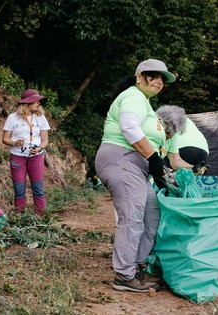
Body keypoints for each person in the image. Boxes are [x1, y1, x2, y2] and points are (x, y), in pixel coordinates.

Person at [94, 58, 176, 293]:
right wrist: (153, 159)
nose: (158, 81)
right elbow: (130, 128)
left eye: (162, 78)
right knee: (133, 216)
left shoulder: (145, 102)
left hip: (136, 166)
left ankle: (136, 266)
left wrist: (158, 168)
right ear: (139, 76)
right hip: (121, 160)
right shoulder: (133, 96)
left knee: (152, 213)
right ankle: (124, 275)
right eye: (153, 75)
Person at [2, 89, 51, 216]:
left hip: (36, 157)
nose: (38, 103)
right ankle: (19, 218)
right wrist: (15, 143)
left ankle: (41, 219)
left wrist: (40, 148)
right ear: (27, 103)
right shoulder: (13, 118)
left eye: (39, 101)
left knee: (38, 189)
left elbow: (45, 140)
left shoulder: (41, 118)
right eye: (36, 101)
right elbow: (5, 139)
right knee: (19, 190)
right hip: (18, 157)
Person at [156, 105, 210, 174]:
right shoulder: (151, 134)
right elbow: (150, 163)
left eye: (172, 134)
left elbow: (175, 161)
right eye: (167, 132)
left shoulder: (173, 137)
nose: (168, 137)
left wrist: (193, 168)